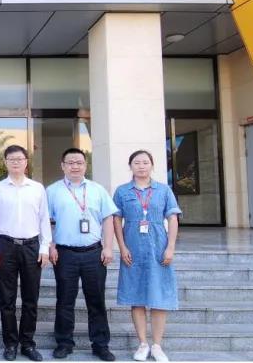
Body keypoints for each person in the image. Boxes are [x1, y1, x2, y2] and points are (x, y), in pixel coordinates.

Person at [46, 149, 117, 361]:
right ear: (63, 166)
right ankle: (64, 343)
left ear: (85, 165)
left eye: (79, 162)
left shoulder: (97, 190)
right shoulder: (52, 191)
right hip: (64, 254)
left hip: (94, 253)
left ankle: (100, 345)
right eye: (70, 162)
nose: (75, 166)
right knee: (64, 300)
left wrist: (108, 247)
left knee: (96, 300)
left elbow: (108, 219)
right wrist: (50, 246)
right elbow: (45, 221)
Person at [112, 150, 181, 363]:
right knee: (136, 296)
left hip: (158, 247)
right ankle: (143, 343)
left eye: (145, 162)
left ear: (152, 165)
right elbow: (116, 220)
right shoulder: (122, 191)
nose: (141, 166)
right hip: (132, 247)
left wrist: (170, 247)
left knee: (159, 297)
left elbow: (173, 218)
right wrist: (122, 247)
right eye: (137, 162)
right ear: (130, 166)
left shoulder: (164, 190)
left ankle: (157, 345)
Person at [0, 145, 52, 362]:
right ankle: (10, 344)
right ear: (5, 162)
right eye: (11, 159)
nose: (16, 162)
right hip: (5, 246)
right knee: (7, 299)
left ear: (26, 162)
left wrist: (44, 247)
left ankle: (27, 344)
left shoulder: (37, 188)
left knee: (30, 298)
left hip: (32, 247)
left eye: (19, 158)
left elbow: (44, 219)